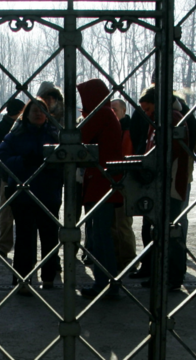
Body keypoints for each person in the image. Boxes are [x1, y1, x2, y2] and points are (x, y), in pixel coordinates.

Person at [0, 99, 62, 294]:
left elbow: (66, 158)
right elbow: (0, 156)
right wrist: (22, 161)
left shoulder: (55, 133)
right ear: (27, 113)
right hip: (24, 194)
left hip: (49, 193)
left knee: (49, 237)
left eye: (43, 110)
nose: (39, 113)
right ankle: (23, 279)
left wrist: (54, 166)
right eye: (35, 110)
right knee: (25, 238)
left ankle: (48, 277)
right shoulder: (16, 134)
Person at [137, 87, 192, 292]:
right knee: (159, 232)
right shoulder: (159, 120)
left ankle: (173, 276)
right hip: (160, 185)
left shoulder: (173, 118)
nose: (148, 114)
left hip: (170, 186)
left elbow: (169, 153)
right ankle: (160, 275)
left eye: (149, 109)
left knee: (171, 232)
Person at [77, 80, 124, 299]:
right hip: (104, 182)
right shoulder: (107, 114)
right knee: (101, 234)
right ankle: (106, 282)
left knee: (100, 236)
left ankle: (105, 283)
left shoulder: (101, 114)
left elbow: (79, 137)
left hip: (101, 183)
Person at [0, 98, 26, 256]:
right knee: (24, 213)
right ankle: (23, 245)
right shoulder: (21, 127)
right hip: (22, 175)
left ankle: (4, 245)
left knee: (6, 213)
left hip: (4, 177)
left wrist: (4, 174)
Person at [108, 99, 138, 274]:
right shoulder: (114, 129)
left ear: (124, 110)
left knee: (123, 224)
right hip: (112, 181)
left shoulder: (130, 129)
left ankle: (127, 260)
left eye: (115, 109)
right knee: (113, 224)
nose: (112, 112)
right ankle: (117, 259)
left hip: (125, 181)